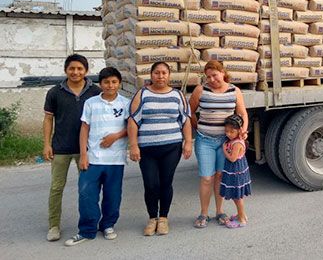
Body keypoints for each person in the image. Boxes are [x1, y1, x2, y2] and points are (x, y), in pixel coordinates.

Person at [64, 67, 129, 246]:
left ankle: (108, 225)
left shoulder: (126, 103)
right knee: (86, 194)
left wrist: (115, 137)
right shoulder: (91, 103)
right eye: (106, 82)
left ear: (119, 83)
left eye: (114, 82)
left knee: (113, 195)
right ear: (100, 84)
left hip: (115, 159)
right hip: (93, 158)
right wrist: (83, 155)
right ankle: (86, 230)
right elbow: (84, 128)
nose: (110, 85)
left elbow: (131, 128)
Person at [128, 62, 193, 236]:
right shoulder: (142, 94)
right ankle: (152, 218)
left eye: (164, 73)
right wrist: (133, 145)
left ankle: (163, 218)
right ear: (151, 75)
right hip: (147, 148)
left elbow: (185, 120)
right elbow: (133, 121)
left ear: (169, 75)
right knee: (150, 184)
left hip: (171, 147)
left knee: (166, 182)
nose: (161, 76)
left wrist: (188, 142)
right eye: (157, 73)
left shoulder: (177, 95)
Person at [43, 54, 102, 242]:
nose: (75, 72)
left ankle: (89, 223)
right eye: (72, 68)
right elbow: (48, 119)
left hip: (86, 149)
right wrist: (46, 144)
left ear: (86, 71)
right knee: (56, 188)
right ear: (66, 70)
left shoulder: (95, 91)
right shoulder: (55, 92)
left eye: (79, 69)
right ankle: (53, 226)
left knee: (87, 189)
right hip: (60, 148)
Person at [189, 60, 248, 228]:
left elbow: (242, 112)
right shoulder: (201, 90)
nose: (211, 79)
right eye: (208, 77)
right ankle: (203, 213)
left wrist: (242, 131)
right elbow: (190, 111)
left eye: (214, 75)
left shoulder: (234, 91)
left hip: (225, 142)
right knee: (207, 178)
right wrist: (197, 126)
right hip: (205, 141)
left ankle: (219, 211)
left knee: (220, 177)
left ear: (223, 72)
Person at [220, 114, 251, 228]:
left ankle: (242, 219)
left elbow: (232, 158)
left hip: (236, 170)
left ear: (239, 130)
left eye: (231, 131)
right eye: (226, 131)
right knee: (236, 196)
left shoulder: (237, 143)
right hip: (235, 170)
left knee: (237, 196)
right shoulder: (234, 139)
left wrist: (224, 150)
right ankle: (240, 214)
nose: (228, 134)